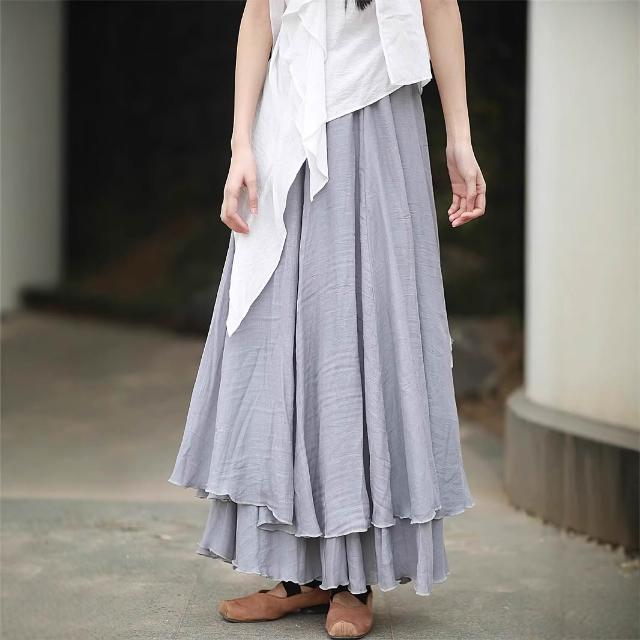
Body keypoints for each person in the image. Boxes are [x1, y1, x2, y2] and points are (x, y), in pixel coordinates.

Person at [169, 0, 483, 637]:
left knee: (358, 331)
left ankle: (353, 578)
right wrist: (241, 143)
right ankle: (300, 576)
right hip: (287, 119)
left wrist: (459, 135)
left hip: (376, 123)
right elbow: (259, 17)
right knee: (282, 332)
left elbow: (439, 9)